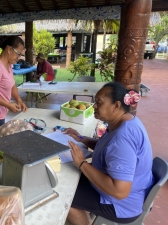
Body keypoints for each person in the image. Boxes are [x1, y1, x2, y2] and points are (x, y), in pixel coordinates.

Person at [65, 82, 154, 225]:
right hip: (130, 193)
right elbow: (106, 147)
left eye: (99, 102)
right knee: (69, 178)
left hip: (122, 205)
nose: (94, 106)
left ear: (116, 106)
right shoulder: (126, 121)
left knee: (65, 197)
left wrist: (82, 163)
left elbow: (120, 192)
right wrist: (80, 138)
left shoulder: (122, 140)